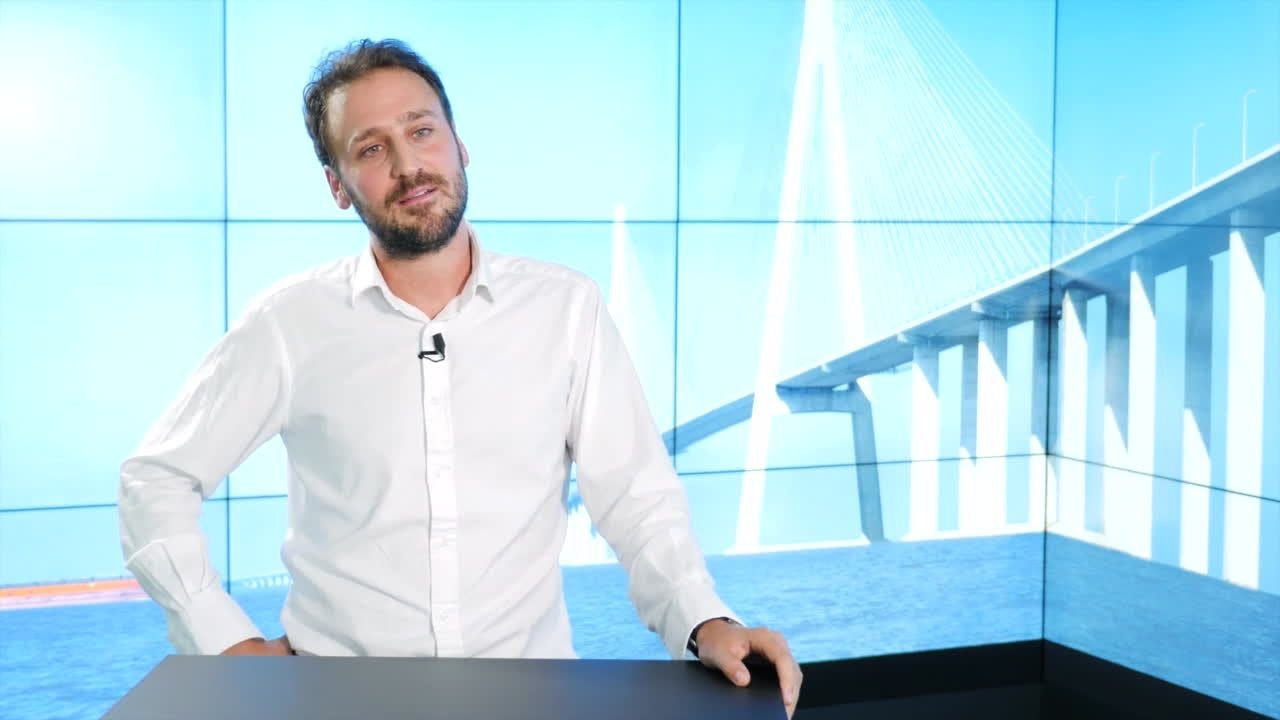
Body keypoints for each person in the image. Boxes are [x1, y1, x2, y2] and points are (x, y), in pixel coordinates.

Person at [118, 38, 802, 717]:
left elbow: (635, 497)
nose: (408, 165)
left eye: (422, 131)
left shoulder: (566, 308)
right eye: (371, 148)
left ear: (459, 144)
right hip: (340, 703)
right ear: (338, 185)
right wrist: (225, 641)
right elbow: (156, 479)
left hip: (535, 701)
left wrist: (704, 621)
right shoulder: (289, 323)